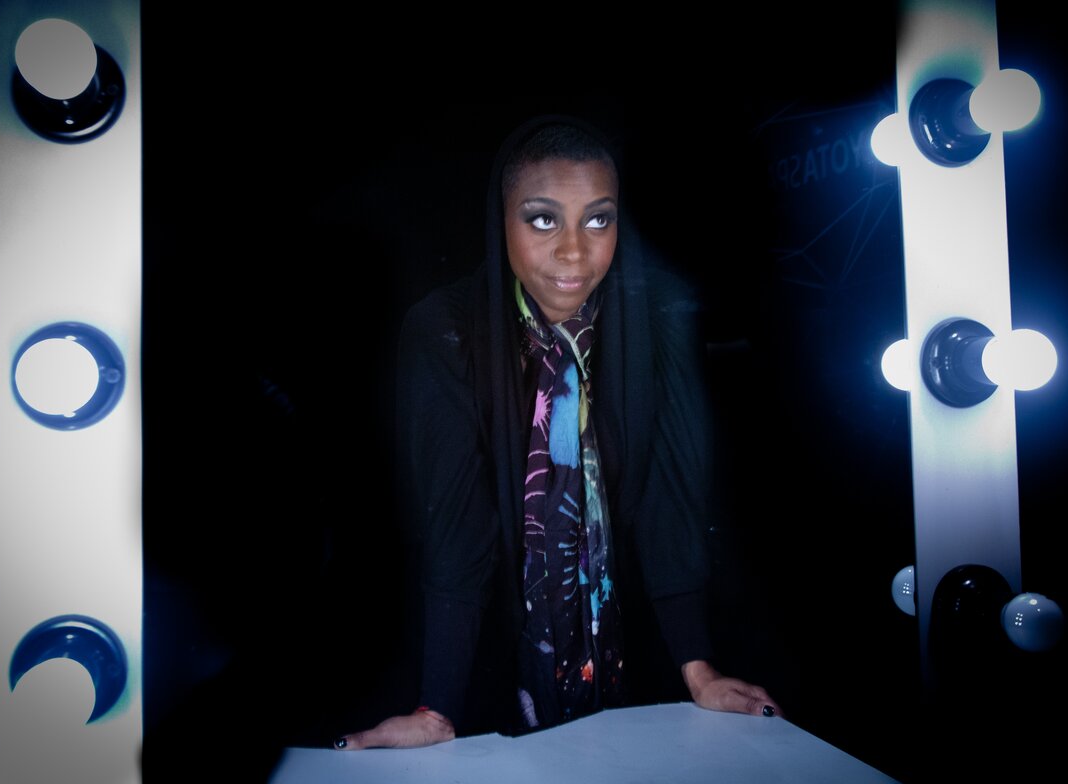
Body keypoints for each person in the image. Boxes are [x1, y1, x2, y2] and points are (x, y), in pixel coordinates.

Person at [335, 115, 781, 750]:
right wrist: (438, 706)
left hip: (635, 663)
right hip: (490, 665)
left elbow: (670, 497)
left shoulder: (657, 317)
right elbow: (457, 521)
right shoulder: (446, 330)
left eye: (598, 220)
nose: (574, 251)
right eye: (544, 219)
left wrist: (698, 668)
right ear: (502, 221)